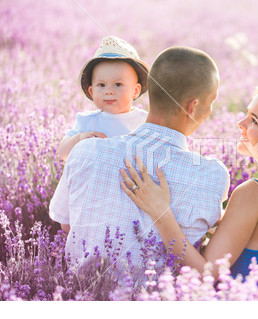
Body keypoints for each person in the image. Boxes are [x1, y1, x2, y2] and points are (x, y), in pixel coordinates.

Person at [121, 79, 258, 279]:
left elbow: (205, 273)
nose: (241, 123)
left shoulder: (254, 194)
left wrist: (161, 213)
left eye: (254, 121)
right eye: (247, 113)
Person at [49, 46, 229, 283]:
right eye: (211, 102)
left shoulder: (84, 151)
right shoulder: (212, 176)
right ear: (192, 107)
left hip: (79, 293)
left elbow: (66, 225)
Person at [57, 36, 150, 161]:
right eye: (101, 85)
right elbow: (62, 153)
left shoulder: (145, 121)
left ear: (135, 91)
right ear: (91, 91)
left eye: (118, 84)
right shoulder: (87, 122)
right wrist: (79, 138)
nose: (109, 91)